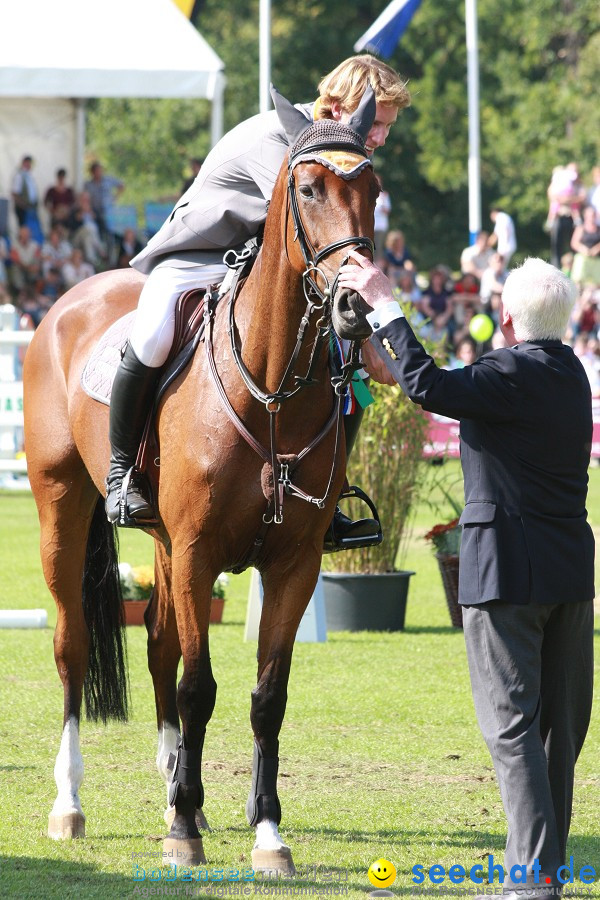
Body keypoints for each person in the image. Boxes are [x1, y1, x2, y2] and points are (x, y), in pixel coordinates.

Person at [339, 252, 594, 900]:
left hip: (508, 571)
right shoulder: (571, 374)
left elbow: (429, 388)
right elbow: (436, 383)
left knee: (513, 730)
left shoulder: (506, 371)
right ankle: (538, 875)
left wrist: (385, 302)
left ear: (506, 319)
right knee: (555, 736)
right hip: (567, 571)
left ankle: (533, 883)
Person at [105, 54, 411, 538]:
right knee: (154, 334)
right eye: (376, 123)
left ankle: (328, 495)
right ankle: (122, 473)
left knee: (344, 359)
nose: (380, 137)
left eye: (385, 127)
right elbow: (295, 233)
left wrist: (365, 331)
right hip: (199, 252)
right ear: (335, 107)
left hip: (258, 265)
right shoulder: (282, 139)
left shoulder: (342, 154)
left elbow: (328, 248)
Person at [84, 161, 124, 241]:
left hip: (108, 210)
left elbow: (121, 185)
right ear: (92, 172)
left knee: (110, 231)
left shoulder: (108, 179)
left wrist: (115, 197)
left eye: (100, 170)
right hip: (95, 210)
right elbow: (85, 198)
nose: (99, 173)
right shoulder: (88, 184)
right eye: (96, 171)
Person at [11, 155, 43, 241]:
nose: (29, 165)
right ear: (24, 163)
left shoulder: (29, 176)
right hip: (23, 209)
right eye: (28, 163)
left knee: (31, 231)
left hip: (31, 208)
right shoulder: (19, 175)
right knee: (23, 230)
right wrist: (23, 205)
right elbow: (14, 193)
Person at [373, 174, 391, 265]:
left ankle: (378, 265)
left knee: (379, 247)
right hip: (371, 225)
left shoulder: (384, 195)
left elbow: (387, 210)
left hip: (381, 226)